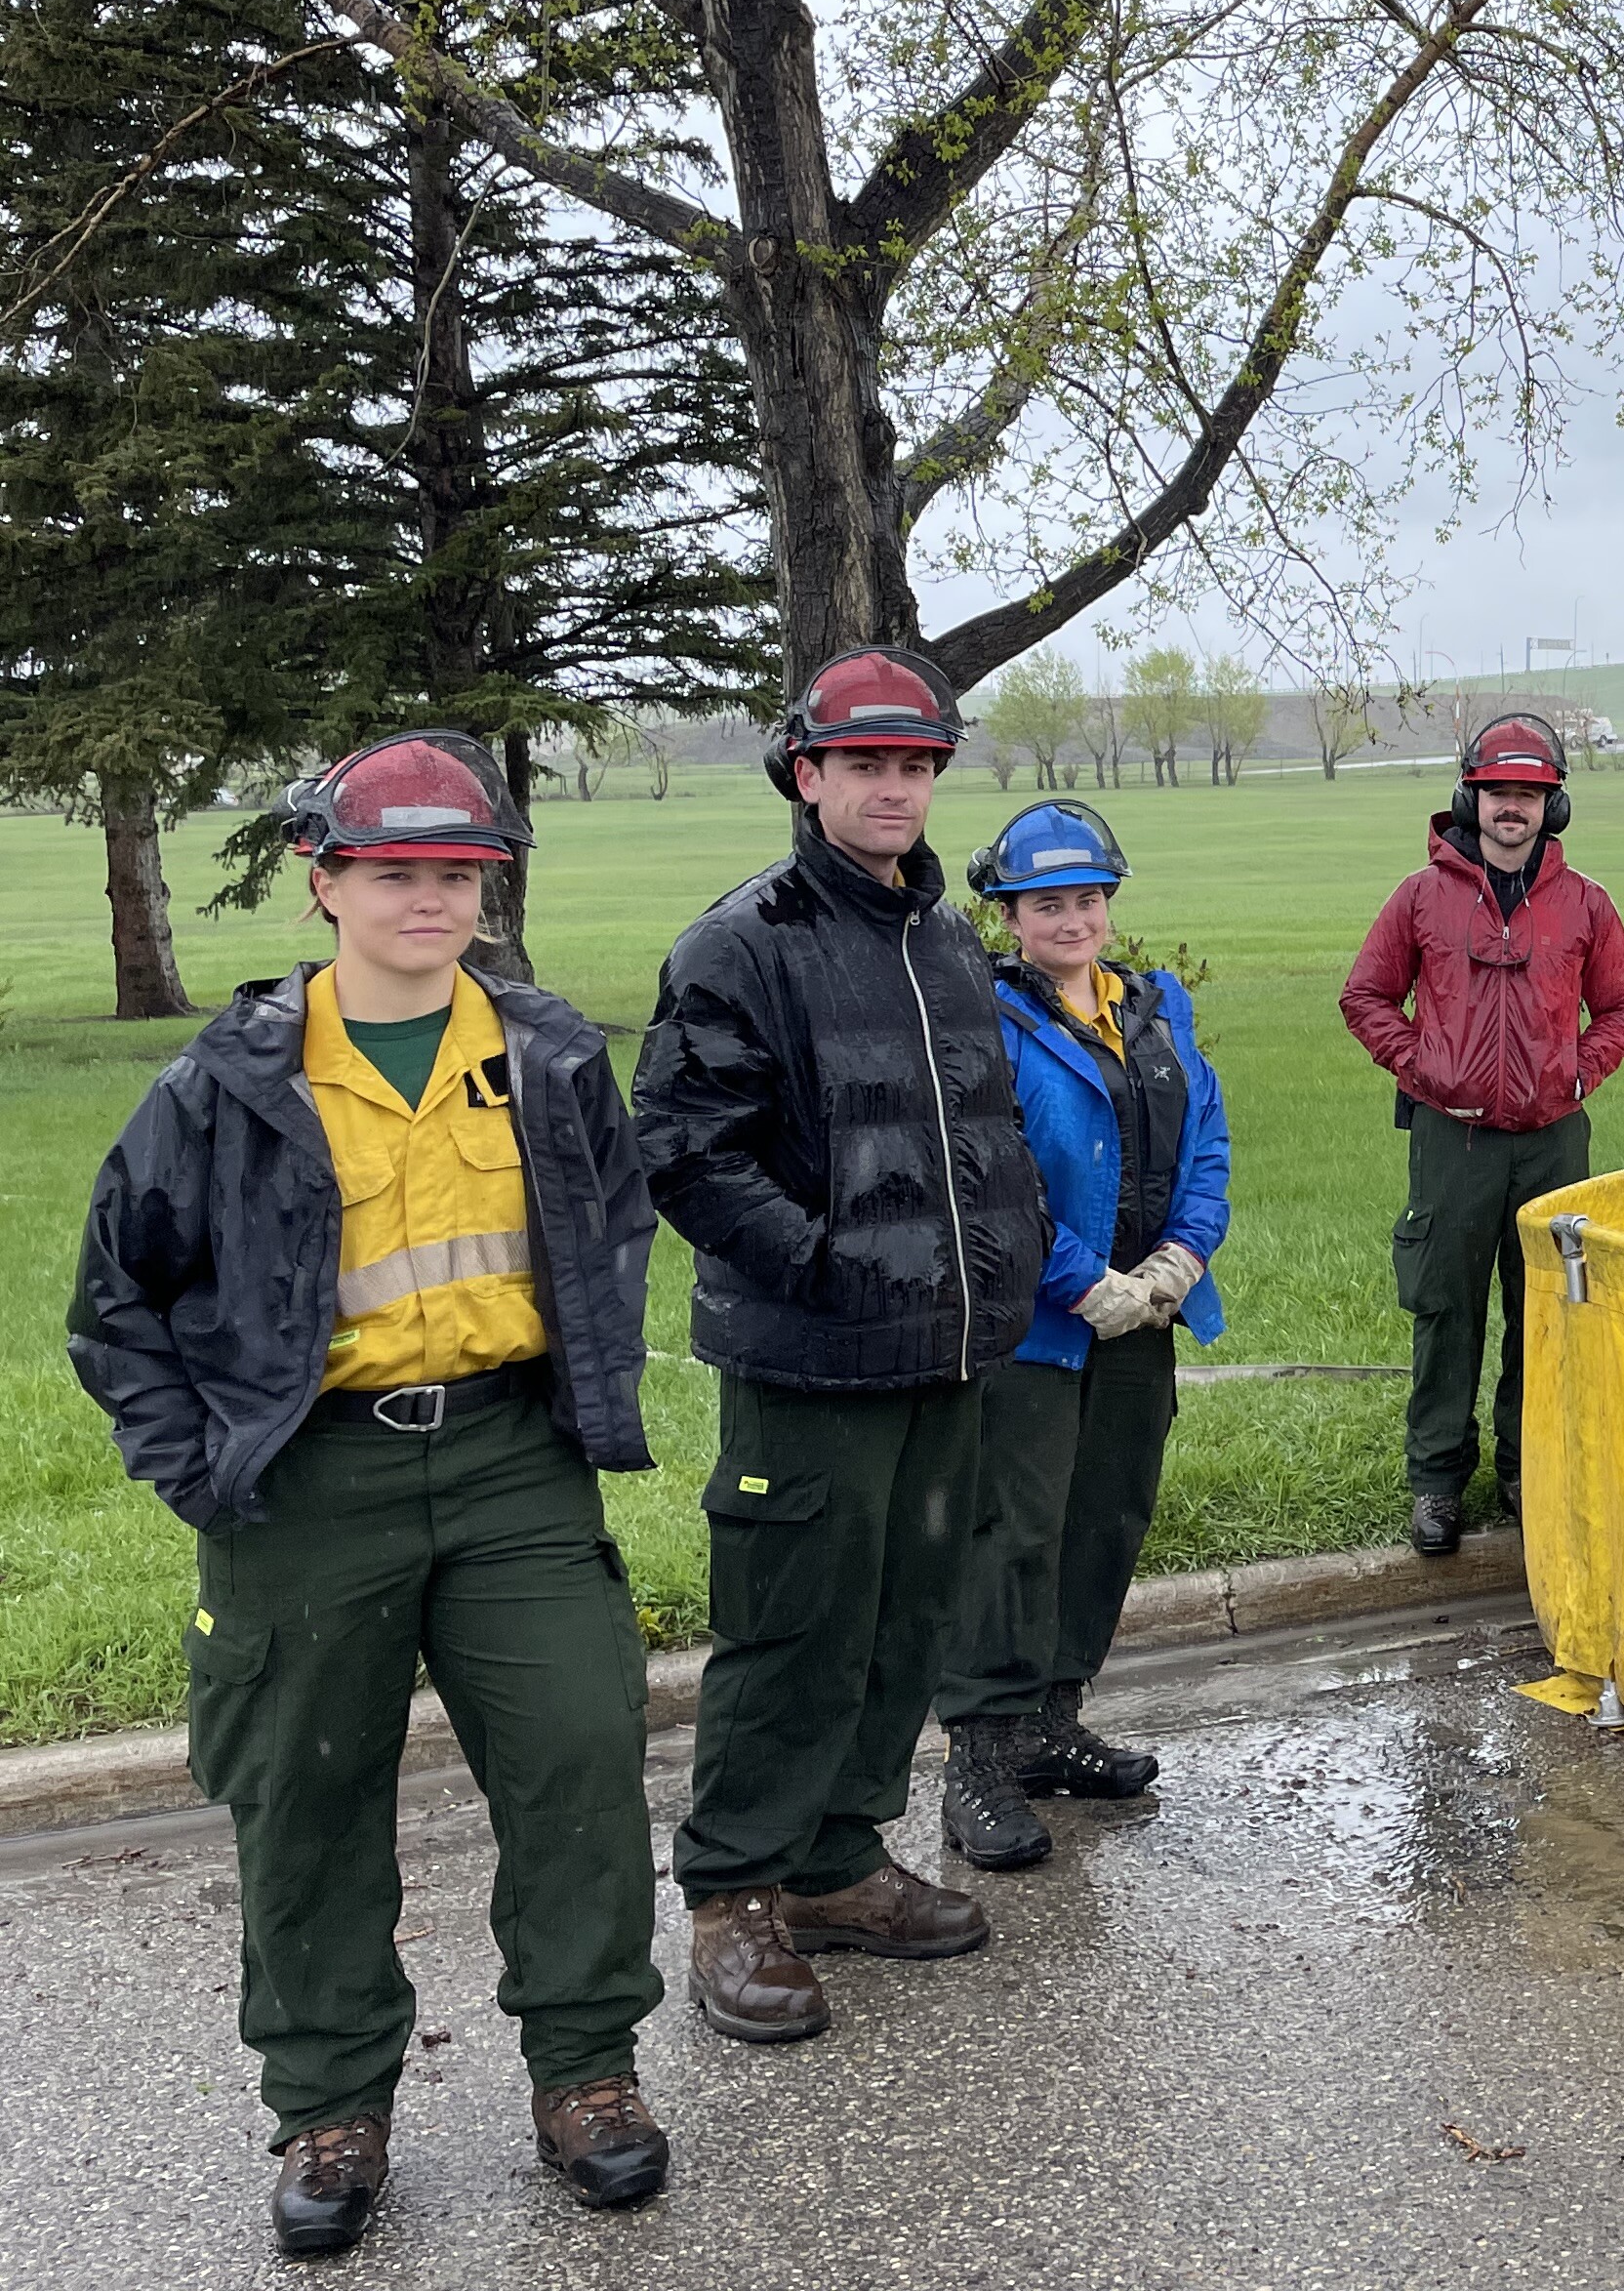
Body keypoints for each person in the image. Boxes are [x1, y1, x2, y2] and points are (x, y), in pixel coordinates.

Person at [70, 733, 670, 2254]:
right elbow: (115, 1302)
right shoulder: (227, 1081)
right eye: (395, 870)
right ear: (321, 879)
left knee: (581, 1758)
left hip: (509, 1466)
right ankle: (333, 2103)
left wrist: (587, 1387)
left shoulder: (545, 1053)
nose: (430, 898)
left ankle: (586, 2076)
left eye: (458, 872)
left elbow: (608, 1227)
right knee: (306, 1797)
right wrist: (197, 1468)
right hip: (307, 1482)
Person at [631, 647, 1048, 2048]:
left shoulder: (943, 941)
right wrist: (827, 1263)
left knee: (903, 1617)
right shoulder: (738, 945)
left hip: (947, 1355)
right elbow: (687, 1154)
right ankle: (735, 1893)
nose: (893, 786)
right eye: (864, 763)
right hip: (813, 1360)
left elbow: (977, 1133)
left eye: (916, 764)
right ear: (805, 778)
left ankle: (837, 1860)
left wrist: (1011, 1254)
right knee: (795, 1630)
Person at [932, 798, 1232, 1871]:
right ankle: (978, 1757)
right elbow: (994, 1176)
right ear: (1009, 914)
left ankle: (1055, 1725)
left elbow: (1207, 1137)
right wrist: (1078, 1282)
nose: (1073, 918)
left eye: (1089, 898)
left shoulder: (1158, 1006)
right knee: (1014, 1531)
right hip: (1041, 1328)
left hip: (1142, 1316)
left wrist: (1181, 1259)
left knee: (1106, 1516)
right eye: (1047, 902)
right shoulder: (989, 1022)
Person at [1340, 712, 1624, 1555]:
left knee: (1543, 1311)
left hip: (1554, 1140)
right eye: (1497, 791)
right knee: (1445, 1309)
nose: (1511, 806)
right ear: (1468, 796)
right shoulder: (1420, 897)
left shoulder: (1584, 902)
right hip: (1453, 1142)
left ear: (1553, 806)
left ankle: (1527, 1465)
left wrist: (1580, 1072)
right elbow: (1364, 997)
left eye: (1529, 793)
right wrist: (1424, 1067)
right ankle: (1437, 1480)